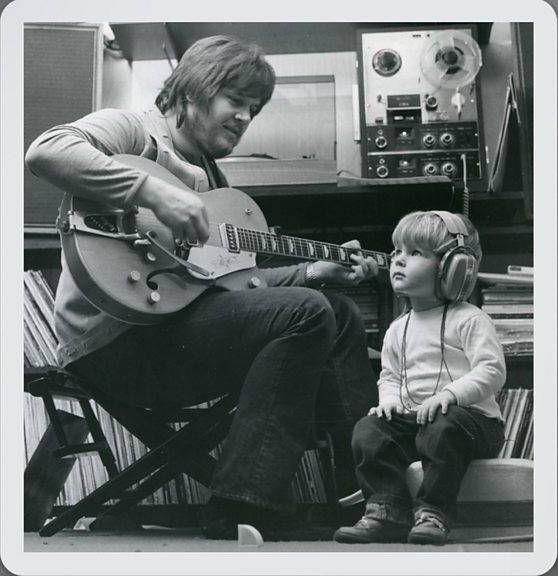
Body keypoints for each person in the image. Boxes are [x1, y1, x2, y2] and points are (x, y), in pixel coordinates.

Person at [25, 35, 379, 539]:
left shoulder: (217, 187)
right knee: (307, 312)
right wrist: (152, 192)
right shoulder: (134, 128)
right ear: (192, 90)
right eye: (235, 100)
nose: (244, 117)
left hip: (177, 336)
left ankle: (366, 494)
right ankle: (241, 507)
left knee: (334, 309)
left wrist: (312, 273)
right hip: (114, 345)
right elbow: (46, 150)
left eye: (254, 109)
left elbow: (231, 288)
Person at [333, 211, 506, 545]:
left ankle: (433, 513)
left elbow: (491, 370)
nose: (398, 260)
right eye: (396, 251)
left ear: (452, 267)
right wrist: (389, 402)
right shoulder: (398, 328)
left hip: (471, 425)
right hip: (417, 424)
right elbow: (390, 376)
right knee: (368, 430)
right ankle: (387, 511)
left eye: (415, 253)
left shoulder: (470, 319)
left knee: (443, 424)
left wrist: (449, 396)